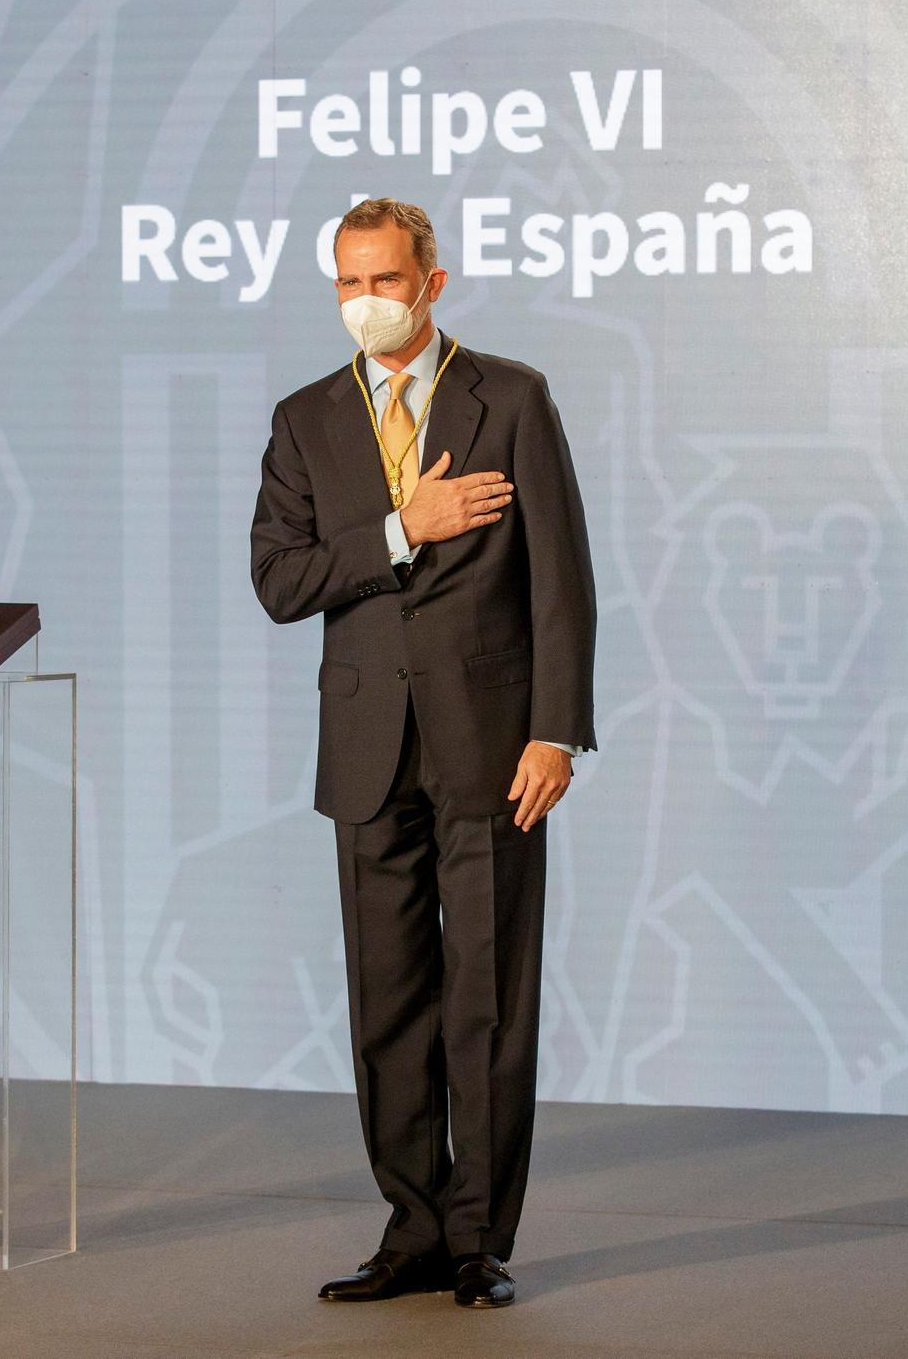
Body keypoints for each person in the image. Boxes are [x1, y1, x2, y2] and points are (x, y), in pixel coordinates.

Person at [250, 198, 597, 1309]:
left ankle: (477, 1238)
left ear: (432, 282)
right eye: (347, 283)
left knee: (486, 993)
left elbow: (561, 579)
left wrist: (555, 728)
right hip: (363, 746)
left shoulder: (513, 396)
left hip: (493, 744)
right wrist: (407, 526)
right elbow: (280, 582)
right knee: (387, 998)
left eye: (384, 281)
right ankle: (408, 1226)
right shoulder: (304, 418)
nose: (365, 303)